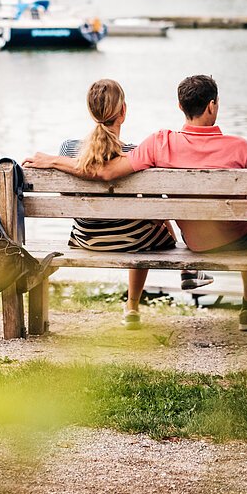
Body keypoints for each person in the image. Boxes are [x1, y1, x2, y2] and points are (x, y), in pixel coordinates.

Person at [25, 74, 247, 332]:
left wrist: (53, 161)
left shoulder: (159, 143)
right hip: (236, 241)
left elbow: (105, 172)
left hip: (192, 242)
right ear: (212, 106)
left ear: (180, 107)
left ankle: (133, 306)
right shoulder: (240, 147)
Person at [55, 79, 211, 330]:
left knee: (145, 216)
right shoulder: (135, 153)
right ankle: (134, 306)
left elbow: (65, 197)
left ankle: (164, 287)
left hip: (86, 238)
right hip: (134, 241)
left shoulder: (67, 150)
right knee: (152, 216)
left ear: (91, 111)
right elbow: (156, 208)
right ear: (123, 112)